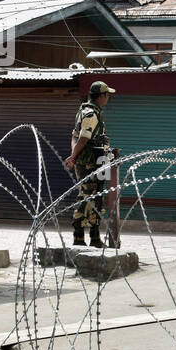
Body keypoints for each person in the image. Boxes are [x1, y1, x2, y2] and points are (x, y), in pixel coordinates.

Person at [64, 81, 118, 248]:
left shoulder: (84, 111)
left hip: (95, 160)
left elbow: (74, 136)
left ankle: (94, 238)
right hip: (91, 162)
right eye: (107, 95)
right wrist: (74, 156)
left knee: (94, 197)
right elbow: (83, 137)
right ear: (101, 96)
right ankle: (80, 237)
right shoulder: (91, 114)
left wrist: (74, 156)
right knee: (89, 197)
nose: (108, 98)